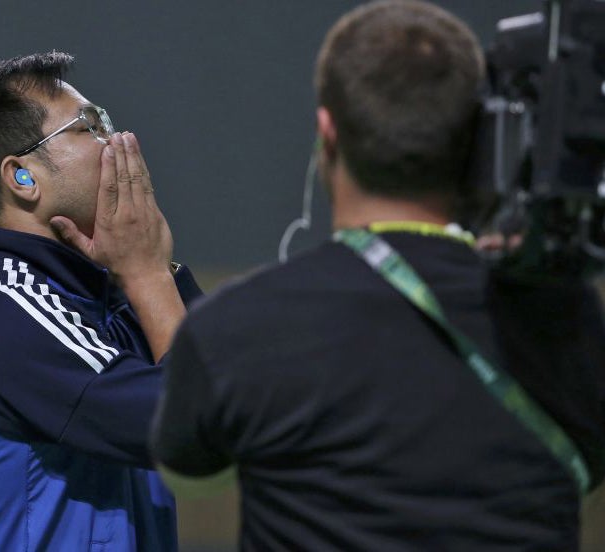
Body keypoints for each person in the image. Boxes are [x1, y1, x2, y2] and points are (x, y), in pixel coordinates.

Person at [150, 1, 605, 550]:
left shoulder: (238, 326)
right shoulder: (567, 318)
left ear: (328, 133)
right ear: (477, 139)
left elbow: (191, 474)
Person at [0, 51, 200, 551]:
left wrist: (152, 274)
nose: (116, 140)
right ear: (22, 178)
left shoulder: (110, 293)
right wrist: (149, 274)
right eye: (88, 125)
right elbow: (196, 424)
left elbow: (244, 400)